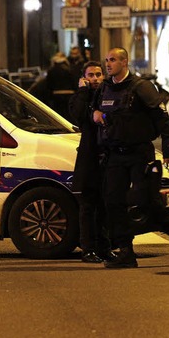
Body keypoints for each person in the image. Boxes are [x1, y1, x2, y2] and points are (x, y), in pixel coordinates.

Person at [92, 47, 169, 268]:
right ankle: (125, 251)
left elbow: (162, 118)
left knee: (144, 201)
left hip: (139, 153)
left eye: (113, 60)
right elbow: (93, 111)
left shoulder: (141, 87)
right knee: (113, 201)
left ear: (124, 63)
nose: (108, 64)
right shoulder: (105, 88)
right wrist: (94, 114)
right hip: (115, 154)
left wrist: (168, 149)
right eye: (107, 60)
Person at [68, 61, 113, 263]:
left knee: (105, 206)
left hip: (108, 157)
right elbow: (78, 115)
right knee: (88, 206)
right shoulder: (81, 97)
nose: (95, 78)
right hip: (89, 158)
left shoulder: (109, 94)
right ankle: (88, 249)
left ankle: (105, 248)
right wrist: (83, 92)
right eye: (91, 75)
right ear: (84, 78)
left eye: (98, 74)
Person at [45, 52, 77, 121]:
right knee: (69, 116)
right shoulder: (70, 69)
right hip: (69, 95)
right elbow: (74, 82)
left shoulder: (51, 70)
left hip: (57, 96)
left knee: (59, 117)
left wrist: (49, 97)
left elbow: (49, 85)